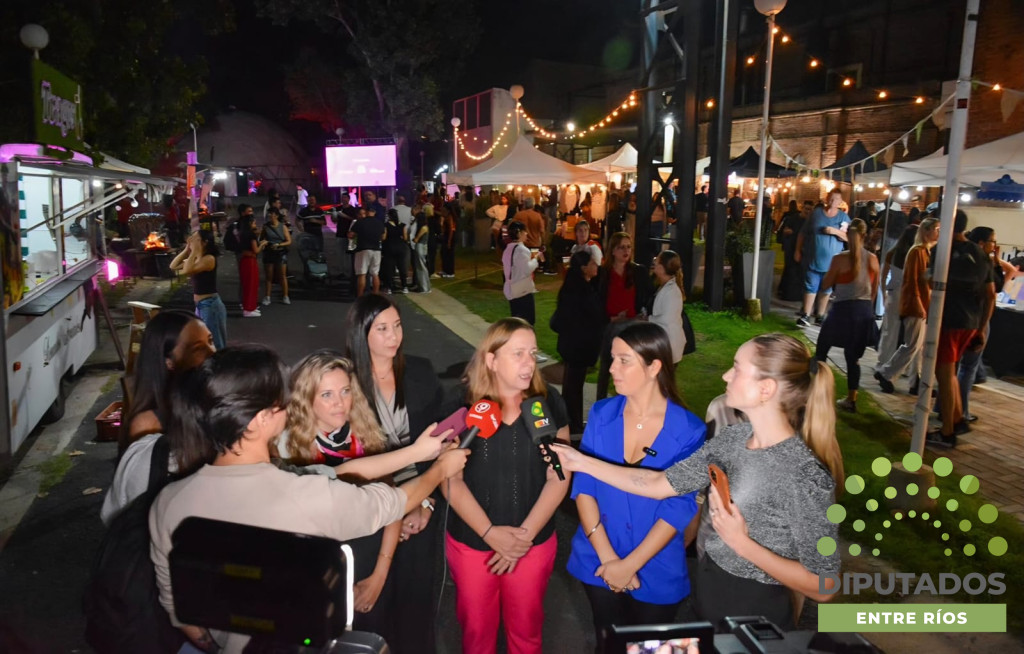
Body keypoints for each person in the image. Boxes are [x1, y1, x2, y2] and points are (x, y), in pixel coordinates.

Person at [148, 346, 469, 654]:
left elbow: (179, 608)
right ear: (261, 418)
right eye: (282, 399)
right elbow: (391, 502)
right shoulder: (305, 496)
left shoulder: (170, 500)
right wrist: (440, 470)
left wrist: (416, 452)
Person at [552, 333, 843, 631]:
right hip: (709, 598)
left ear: (765, 389)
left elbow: (825, 585)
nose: (725, 375)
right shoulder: (733, 440)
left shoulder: (804, 474)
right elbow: (657, 484)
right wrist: (581, 462)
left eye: (737, 368)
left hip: (757, 616)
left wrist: (742, 544)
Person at [276, 351, 451, 641]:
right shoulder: (286, 449)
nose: (340, 402)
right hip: (319, 569)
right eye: (327, 394)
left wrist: (379, 575)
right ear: (305, 398)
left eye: (345, 391)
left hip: (372, 557)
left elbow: (390, 499)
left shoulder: (364, 432)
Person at [567, 323, 705, 648]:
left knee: (649, 649)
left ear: (654, 367)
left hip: (655, 564)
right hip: (598, 556)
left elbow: (679, 506)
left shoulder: (689, 430)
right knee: (608, 644)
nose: (611, 368)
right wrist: (609, 559)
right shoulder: (602, 413)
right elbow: (584, 486)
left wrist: (629, 565)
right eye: (612, 358)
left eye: (623, 360)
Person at [442, 318, 572, 654]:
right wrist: (489, 534)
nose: (529, 363)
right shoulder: (461, 404)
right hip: (473, 543)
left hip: (532, 543)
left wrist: (523, 537)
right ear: (491, 359)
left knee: (526, 634)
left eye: (533, 353)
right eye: (518, 353)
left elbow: (559, 474)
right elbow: (449, 478)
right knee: (477, 635)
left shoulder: (548, 402)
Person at [345, 294, 448, 654]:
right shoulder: (344, 383)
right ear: (361, 333)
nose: (394, 336)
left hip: (421, 506)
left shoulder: (420, 371)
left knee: (416, 607)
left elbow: (442, 442)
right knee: (371, 609)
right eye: (382, 329)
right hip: (369, 516)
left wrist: (427, 502)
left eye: (398, 326)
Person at [927, 212, 996, 448]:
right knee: (952, 373)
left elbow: (932, 282)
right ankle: (957, 420)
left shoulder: (942, 250)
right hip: (972, 321)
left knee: (944, 375)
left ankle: (947, 432)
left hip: (949, 319)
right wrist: (981, 327)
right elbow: (990, 294)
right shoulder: (979, 252)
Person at [116, 310, 216, 457]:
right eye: (198, 349)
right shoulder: (148, 424)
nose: (212, 352)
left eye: (211, 341)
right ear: (169, 361)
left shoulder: (208, 395)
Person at [813, 219, 880, 413]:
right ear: (865, 235)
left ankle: (817, 391)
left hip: (842, 309)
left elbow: (826, 283)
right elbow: (874, 290)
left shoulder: (839, 259)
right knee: (853, 357)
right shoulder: (873, 259)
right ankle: (852, 399)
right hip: (863, 311)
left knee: (822, 350)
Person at [874, 219, 938, 395]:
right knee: (911, 344)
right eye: (936, 229)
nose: (938, 233)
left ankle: (911, 379)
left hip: (908, 299)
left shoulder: (921, 252)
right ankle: (888, 372)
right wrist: (917, 302)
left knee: (912, 343)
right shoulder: (916, 252)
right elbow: (912, 281)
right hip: (911, 302)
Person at [596, 232, 654, 400]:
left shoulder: (638, 271)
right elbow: (596, 301)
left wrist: (645, 314)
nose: (626, 251)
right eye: (621, 247)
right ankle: (601, 403)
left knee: (632, 367)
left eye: (628, 247)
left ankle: (629, 402)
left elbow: (649, 295)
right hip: (610, 325)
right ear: (613, 251)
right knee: (607, 367)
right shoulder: (603, 273)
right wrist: (610, 318)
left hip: (632, 324)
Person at [554, 250, 605, 435]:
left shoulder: (576, 287)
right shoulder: (581, 291)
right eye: (592, 263)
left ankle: (569, 420)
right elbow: (592, 316)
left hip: (573, 344)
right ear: (584, 268)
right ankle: (573, 423)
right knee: (574, 386)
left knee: (572, 384)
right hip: (579, 345)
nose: (596, 266)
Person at [955, 226, 1002, 424]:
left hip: (959, 318)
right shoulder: (983, 263)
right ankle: (961, 411)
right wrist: (982, 328)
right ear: (982, 243)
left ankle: (947, 406)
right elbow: (994, 291)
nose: (994, 245)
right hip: (976, 319)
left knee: (954, 367)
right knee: (968, 367)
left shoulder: (961, 259)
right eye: (992, 241)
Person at [795, 188, 850, 326]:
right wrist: (797, 250)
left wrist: (835, 231)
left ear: (840, 201)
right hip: (812, 257)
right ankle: (806, 315)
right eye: (831, 198)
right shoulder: (816, 214)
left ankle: (820, 315)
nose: (833, 201)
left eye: (836, 199)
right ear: (827, 198)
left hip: (832, 262)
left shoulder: (843, 218)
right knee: (810, 285)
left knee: (826, 288)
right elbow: (802, 233)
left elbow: (849, 238)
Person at [169, 230, 227, 350]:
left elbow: (187, 270)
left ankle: (220, 362)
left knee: (215, 342)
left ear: (204, 242)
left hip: (210, 304)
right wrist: (186, 250)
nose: (191, 240)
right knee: (204, 339)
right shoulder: (196, 259)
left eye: (195, 238)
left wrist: (193, 252)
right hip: (201, 305)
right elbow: (173, 266)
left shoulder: (209, 259)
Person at [874, 224, 919, 366]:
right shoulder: (914, 254)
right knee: (907, 332)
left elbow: (883, 276)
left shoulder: (893, 252)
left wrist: (883, 293)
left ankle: (883, 360)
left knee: (889, 330)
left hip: (894, 292)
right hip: (908, 295)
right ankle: (899, 363)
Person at [503, 220, 544, 325]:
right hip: (522, 290)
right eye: (524, 231)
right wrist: (536, 259)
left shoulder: (508, 249)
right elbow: (527, 269)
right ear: (519, 233)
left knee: (516, 320)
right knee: (527, 321)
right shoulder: (521, 250)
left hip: (511, 288)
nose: (526, 233)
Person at [650, 250, 686, 368]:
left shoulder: (672, 291)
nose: (654, 263)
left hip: (669, 345)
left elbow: (667, 318)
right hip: (663, 343)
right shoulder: (664, 286)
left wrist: (648, 319)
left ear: (662, 268)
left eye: (656, 261)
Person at [350, 204, 386, 296]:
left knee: (362, 274)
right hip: (376, 250)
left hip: (363, 249)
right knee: (375, 274)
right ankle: (375, 295)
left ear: (366, 212)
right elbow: (383, 237)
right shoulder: (380, 223)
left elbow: (351, 235)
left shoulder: (360, 222)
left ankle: (360, 296)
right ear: (374, 212)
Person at [775, 200, 808, 302]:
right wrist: (787, 232)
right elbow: (783, 230)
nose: (808, 211)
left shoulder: (810, 221)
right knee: (790, 269)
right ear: (802, 208)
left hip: (802, 249)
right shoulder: (792, 218)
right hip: (790, 247)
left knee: (797, 271)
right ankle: (786, 292)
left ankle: (793, 293)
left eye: (810, 209)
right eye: (806, 209)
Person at [260, 206, 292, 306]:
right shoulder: (266, 227)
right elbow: (261, 239)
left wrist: (279, 244)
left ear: (277, 216)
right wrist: (264, 243)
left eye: (272, 214)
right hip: (269, 252)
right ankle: (267, 297)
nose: (270, 216)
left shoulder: (283, 227)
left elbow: (289, 241)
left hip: (280, 253)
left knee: (282, 275)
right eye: (269, 214)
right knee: (269, 276)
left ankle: (285, 296)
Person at [238, 214, 266, 317]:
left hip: (245, 261)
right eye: (254, 222)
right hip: (250, 261)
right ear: (250, 223)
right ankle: (248, 309)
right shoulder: (251, 235)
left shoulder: (242, 234)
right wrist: (262, 244)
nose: (255, 224)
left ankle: (250, 306)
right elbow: (256, 250)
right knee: (251, 285)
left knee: (247, 285)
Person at [382, 209, 411, 294]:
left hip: (390, 247)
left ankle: (389, 288)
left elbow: (384, 237)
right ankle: (404, 287)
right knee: (402, 267)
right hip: (401, 248)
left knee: (390, 268)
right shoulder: (402, 225)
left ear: (389, 216)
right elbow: (405, 238)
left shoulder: (386, 225)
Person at [410, 210, 431, 293]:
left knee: (421, 267)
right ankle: (423, 286)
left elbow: (416, 239)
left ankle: (424, 287)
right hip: (423, 247)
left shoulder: (423, 228)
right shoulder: (425, 227)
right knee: (421, 267)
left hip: (420, 247)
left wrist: (413, 239)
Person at [440, 204, 457, 278]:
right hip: (446, 236)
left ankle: (450, 272)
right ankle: (445, 269)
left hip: (450, 237)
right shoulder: (445, 217)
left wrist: (449, 241)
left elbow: (451, 230)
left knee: (449, 255)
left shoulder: (450, 217)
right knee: (443, 253)